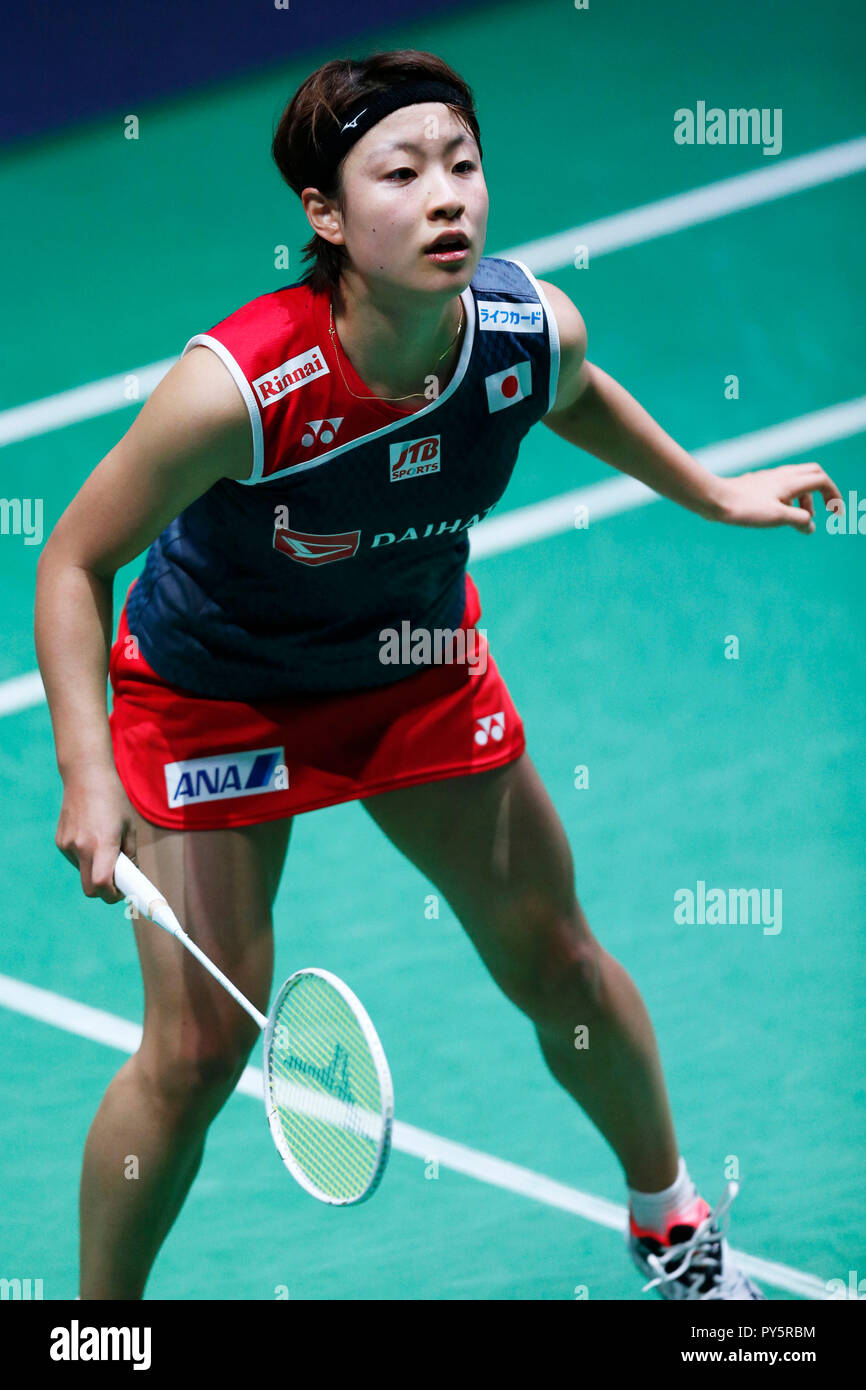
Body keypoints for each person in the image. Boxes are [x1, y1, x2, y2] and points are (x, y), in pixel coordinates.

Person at [34, 48, 840, 1301]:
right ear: (326, 214)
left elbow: (567, 392)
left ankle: (670, 1226)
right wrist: (89, 777)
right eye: (400, 173)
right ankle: (93, 1332)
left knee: (555, 958)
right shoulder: (240, 386)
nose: (445, 196)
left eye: (461, 164)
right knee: (194, 1050)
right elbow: (74, 560)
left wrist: (712, 488)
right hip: (215, 695)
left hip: (410, 668)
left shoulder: (520, 328)